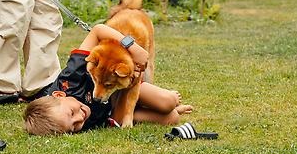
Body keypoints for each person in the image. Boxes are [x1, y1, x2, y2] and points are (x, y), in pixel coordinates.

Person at [22, 23, 193, 135]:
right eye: (74, 127)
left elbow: (97, 31)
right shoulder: (75, 124)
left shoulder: (70, 79)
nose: (80, 118)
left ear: (60, 95)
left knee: (168, 101)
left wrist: (133, 48)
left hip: (119, 85)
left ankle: (161, 100)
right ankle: (158, 110)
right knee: (172, 118)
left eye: (71, 112)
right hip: (114, 111)